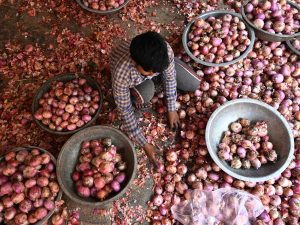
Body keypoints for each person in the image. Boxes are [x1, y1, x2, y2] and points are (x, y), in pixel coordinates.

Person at [109, 31, 200, 167]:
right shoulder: (122, 73)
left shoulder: (165, 51)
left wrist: (171, 107)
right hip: (132, 76)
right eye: (149, 72)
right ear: (135, 63)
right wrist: (144, 144)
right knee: (146, 93)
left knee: (193, 83)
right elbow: (124, 110)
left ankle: (155, 72)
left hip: (153, 64)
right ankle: (147, 82)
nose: (154, 74)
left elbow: (169, 77)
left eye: (157, 71)